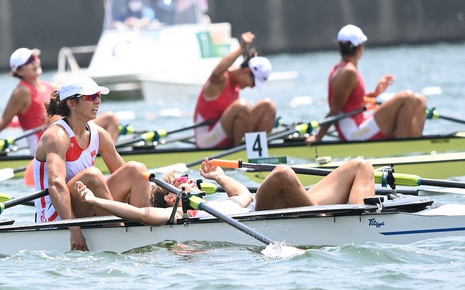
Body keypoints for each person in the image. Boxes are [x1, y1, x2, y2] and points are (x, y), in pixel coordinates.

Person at [32, 76, 153, 251]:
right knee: (93, 175)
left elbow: (125, 174)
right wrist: (74, 230)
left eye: (98, 95)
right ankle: (122, 235)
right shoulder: (57, 136)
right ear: (72, 104)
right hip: (56, 215)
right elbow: (56, 185)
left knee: (137, 169)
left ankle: (146, 225)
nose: (97, 101)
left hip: (87, 203)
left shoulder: (99, 134)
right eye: (90, 97)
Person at [77, 157, 374, 223]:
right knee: (282, 172)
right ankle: (329, 221)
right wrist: (96, 199)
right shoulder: (178, 216)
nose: (192, 182)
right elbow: (137, 212)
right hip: (268, 212)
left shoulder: (216, 203)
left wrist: (220, 176)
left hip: (267, 205)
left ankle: (364, 218)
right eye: (184, 182)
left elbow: (243, 196)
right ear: (170, 195)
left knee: (360, 166)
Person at [0, 48, 121, 156]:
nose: (35, 62)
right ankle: (97, 154)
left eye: (35, 58)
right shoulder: (21, 92)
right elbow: (3, 122)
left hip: (66, 133)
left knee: (111, 119)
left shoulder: (50, 86)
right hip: (45, 144)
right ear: (19, 71)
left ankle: (101, 153)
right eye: (29, 61)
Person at [308, 24, 426, 143]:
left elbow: (351, 104)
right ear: (360, 48)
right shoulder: (348, 72)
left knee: (420, 100)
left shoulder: (343, 69)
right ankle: (402, 149)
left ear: (339, 47)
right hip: (355, 133)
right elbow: (336, 110)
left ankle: (413, 146)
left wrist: (375, 94)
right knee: (406, 97)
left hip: (361, 125)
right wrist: (318, 137)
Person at [194, 31, 277, 148]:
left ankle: (259, 152)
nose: (252, 87)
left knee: (269, 106)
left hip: (225, 134)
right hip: (206, 139)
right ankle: (242, 153)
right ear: (247, 71)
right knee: (241, 107)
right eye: (253, 82)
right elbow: (215, 73)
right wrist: (242, 48)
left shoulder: (236, 87)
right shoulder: (221, 80)